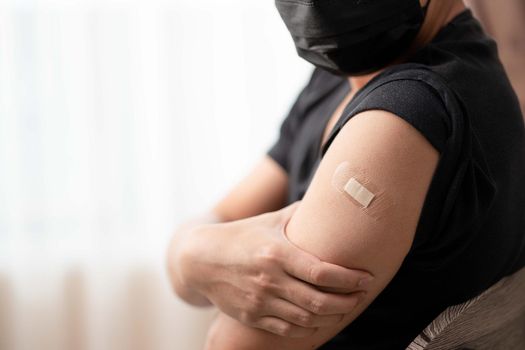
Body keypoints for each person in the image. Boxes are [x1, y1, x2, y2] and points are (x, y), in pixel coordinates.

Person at [166, 0, 525, 349]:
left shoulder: (406, 112)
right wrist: (192, 255)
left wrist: (199, 256)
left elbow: (232, 343)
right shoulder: (340, 78)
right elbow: (226, 214)